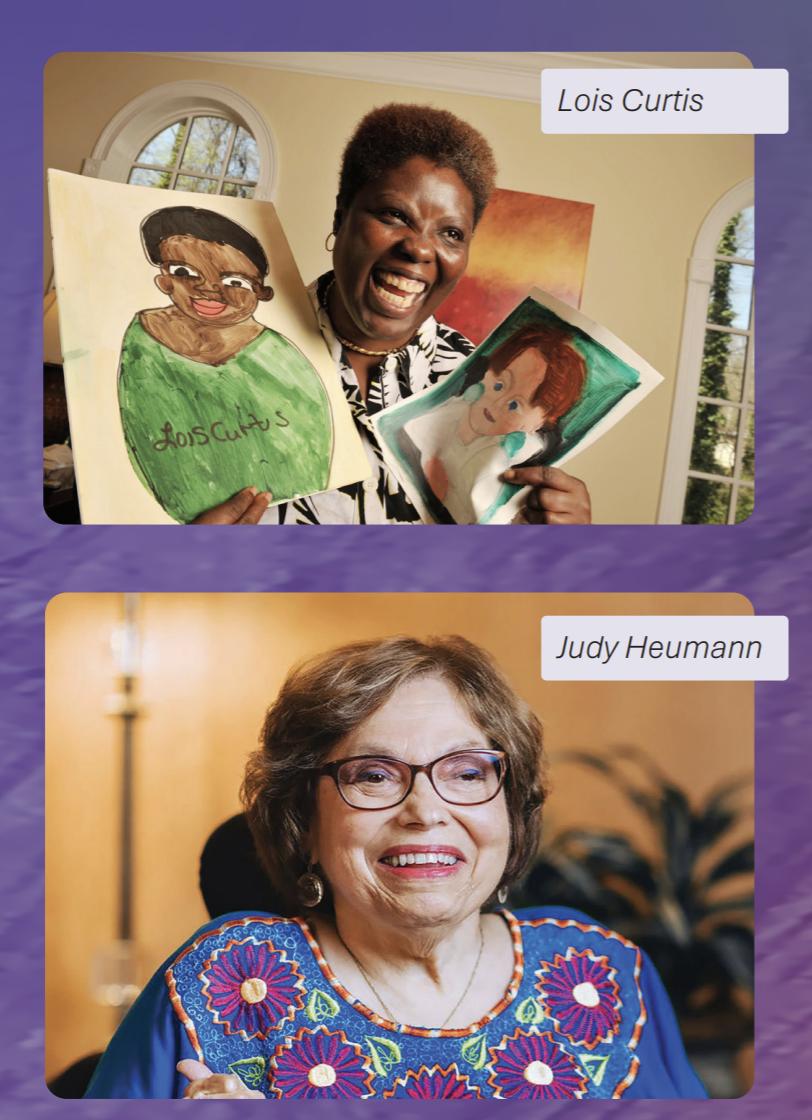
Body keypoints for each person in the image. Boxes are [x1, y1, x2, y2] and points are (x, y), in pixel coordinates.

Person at [84, 636, 705, 1099]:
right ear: (305, 818)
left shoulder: (598, 971)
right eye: (374, 775)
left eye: (467, 772)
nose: (425, 810)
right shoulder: (225, 977)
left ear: (511, 809)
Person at [194, 105, 591, 526]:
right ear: (341, 216)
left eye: (451, 233)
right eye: (394, 215)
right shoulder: (222, 355)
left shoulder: (475, 377)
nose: (420, 249)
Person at [119, 206, 333, 523]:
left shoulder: (281, 357)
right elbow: (141, 445)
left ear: (262, 292)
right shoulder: (141, 343)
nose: (208, 289)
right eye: (184, 273)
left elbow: (309, 455)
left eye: (235, 280)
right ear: (164, 281)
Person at [399, 322, 587, 524]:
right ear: (487, 372)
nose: (497, 404)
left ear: (538, 425)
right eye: (499, 385)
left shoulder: (514, 458)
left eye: (515, 405)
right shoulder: (453, 407)